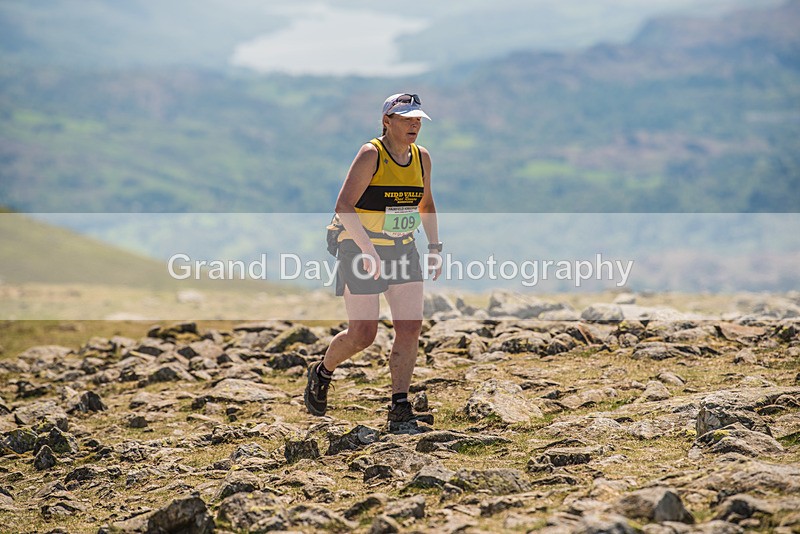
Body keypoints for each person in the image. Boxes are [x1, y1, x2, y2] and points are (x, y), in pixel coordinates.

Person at [305, 93, 443, 430]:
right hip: (359, 249)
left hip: (403, 248)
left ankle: (399, 406)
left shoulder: (421, 158)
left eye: (418, 119)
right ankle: (322, 372)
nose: (414, 124)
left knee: (410, 327)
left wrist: (435, 247)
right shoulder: (371, 154)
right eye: (407, 118)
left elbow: (425, 204)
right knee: (363, 334)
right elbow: (344, 206)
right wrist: (368, 250)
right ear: (387, 121)